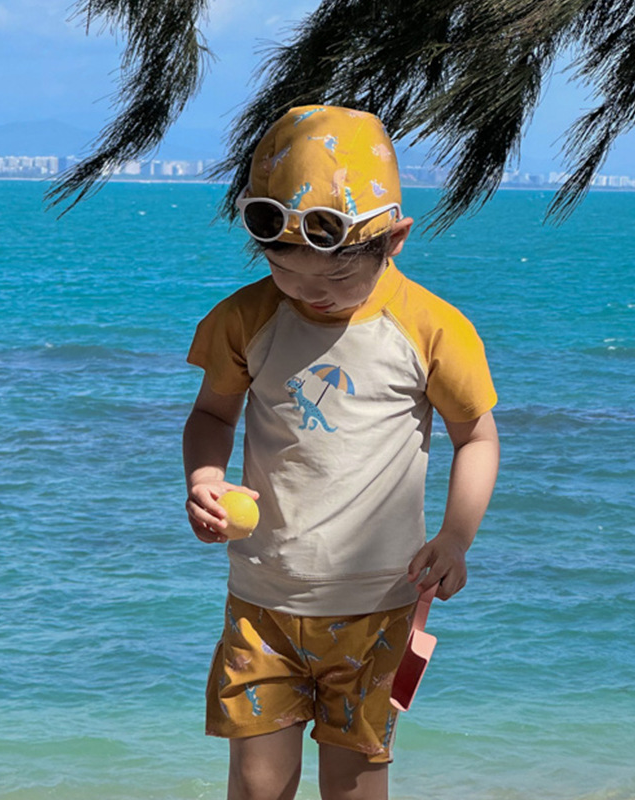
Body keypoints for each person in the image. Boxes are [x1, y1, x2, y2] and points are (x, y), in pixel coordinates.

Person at [183, 105, 499, 800]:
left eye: (333, 282)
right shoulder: (246, 317)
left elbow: (476, 436)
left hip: (377, 605)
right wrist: (205, 476)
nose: (310, 296)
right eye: (286, 273)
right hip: (262, 598)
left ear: (395, 241)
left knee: (354, 784)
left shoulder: (431, 328)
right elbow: (211, 413)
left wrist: (455, 538)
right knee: (256, 786)